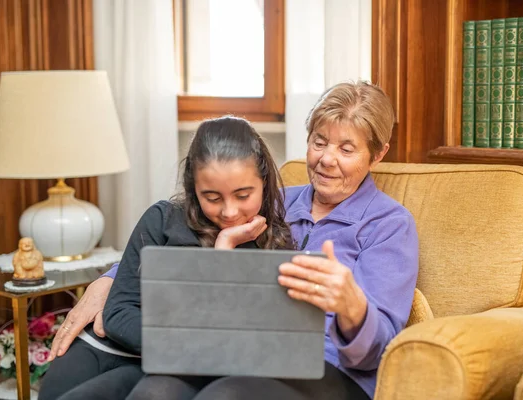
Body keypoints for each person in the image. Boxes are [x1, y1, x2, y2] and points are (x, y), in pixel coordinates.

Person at [47, 81, 419, 400]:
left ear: (378, 153)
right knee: (154, 388)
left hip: (330, 368)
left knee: (221, 395)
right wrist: (109, 280)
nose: (327, 160)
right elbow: (183, 239)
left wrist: (353, 307)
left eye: (347, 149)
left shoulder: (389, 225)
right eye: (319, 142)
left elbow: (380, 347)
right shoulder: (270, 201)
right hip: (244, 352)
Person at [39, 116, 295, 400]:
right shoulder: (161, 219)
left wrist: (224, 250)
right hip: (106, 345)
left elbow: (233, 334)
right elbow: (118, 312)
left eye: (243, 195)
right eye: (212, 197)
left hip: (163, 366)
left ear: (264, 183)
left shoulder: (274, 245)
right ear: (193, 187)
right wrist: (183, 342)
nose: (230, 212)